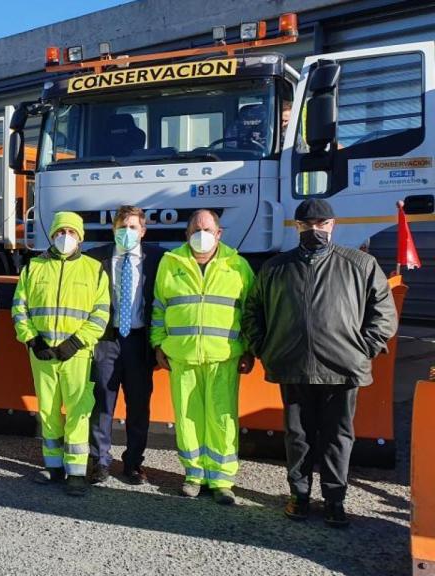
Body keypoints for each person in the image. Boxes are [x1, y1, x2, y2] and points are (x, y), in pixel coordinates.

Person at [243, 198, 397, 527]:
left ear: (333, 226)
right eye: (307, 225)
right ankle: (299, 495)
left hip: (342, 370)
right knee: (297, 436)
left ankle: (334, 500)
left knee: (337, 437)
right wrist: (264, 347)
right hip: (292, 366)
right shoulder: (275, 268)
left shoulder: (360, 264)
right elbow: (252, 311)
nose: (314, 230)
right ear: (296, 227)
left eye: (321, 224)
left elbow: (383, 314)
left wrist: (363, 348)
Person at [150, 209, 255, 505]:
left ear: (219, 233)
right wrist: (158, 344)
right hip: (182, 357)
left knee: (223, 418)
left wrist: (248, 349)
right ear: (186, 234)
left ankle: (222, 479)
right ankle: (194, 474)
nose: (201, 234)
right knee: (187, 417)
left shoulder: (238, 265)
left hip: (223, 358)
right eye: (196, 229)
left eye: (207, 229)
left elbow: (249, 312)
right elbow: (159, 308)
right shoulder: (170, 264)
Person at [12, 211, 111, 497]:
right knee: (48, 409)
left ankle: (77, 472)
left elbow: (100, 313)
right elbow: (20, 307)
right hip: (42, 353)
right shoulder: (34, 267)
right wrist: (32, 340)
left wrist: (76, 343)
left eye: (71, 232)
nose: (65, 237)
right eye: (60, 232)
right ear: (52, 234)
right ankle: (54, 466)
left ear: (80, 237)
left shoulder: (94, 269)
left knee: (79, 411)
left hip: (76, 355)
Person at [85, 205, 164, 485]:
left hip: (139, 342)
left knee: (138, 405)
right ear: (113, 229)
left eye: (132, 227)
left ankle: (133, 464)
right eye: (122, 227)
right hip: (107, 339)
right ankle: (99, 461)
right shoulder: (95, 259)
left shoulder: (159, 258)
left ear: (143, 231)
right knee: (102, 402)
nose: (127, 232)